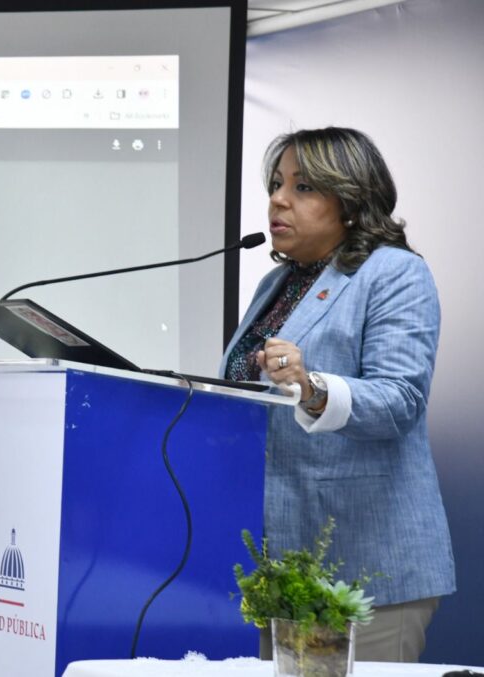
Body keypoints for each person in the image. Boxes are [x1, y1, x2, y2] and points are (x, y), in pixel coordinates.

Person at [219, 127, 456, 662]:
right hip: (281, 571)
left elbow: (400, 400)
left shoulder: (395, 273)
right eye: (276, 184)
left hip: (366, 567)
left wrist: (312, 387)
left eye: (302, 187)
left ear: (351, 201)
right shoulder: (276, 285)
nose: (278, 199)